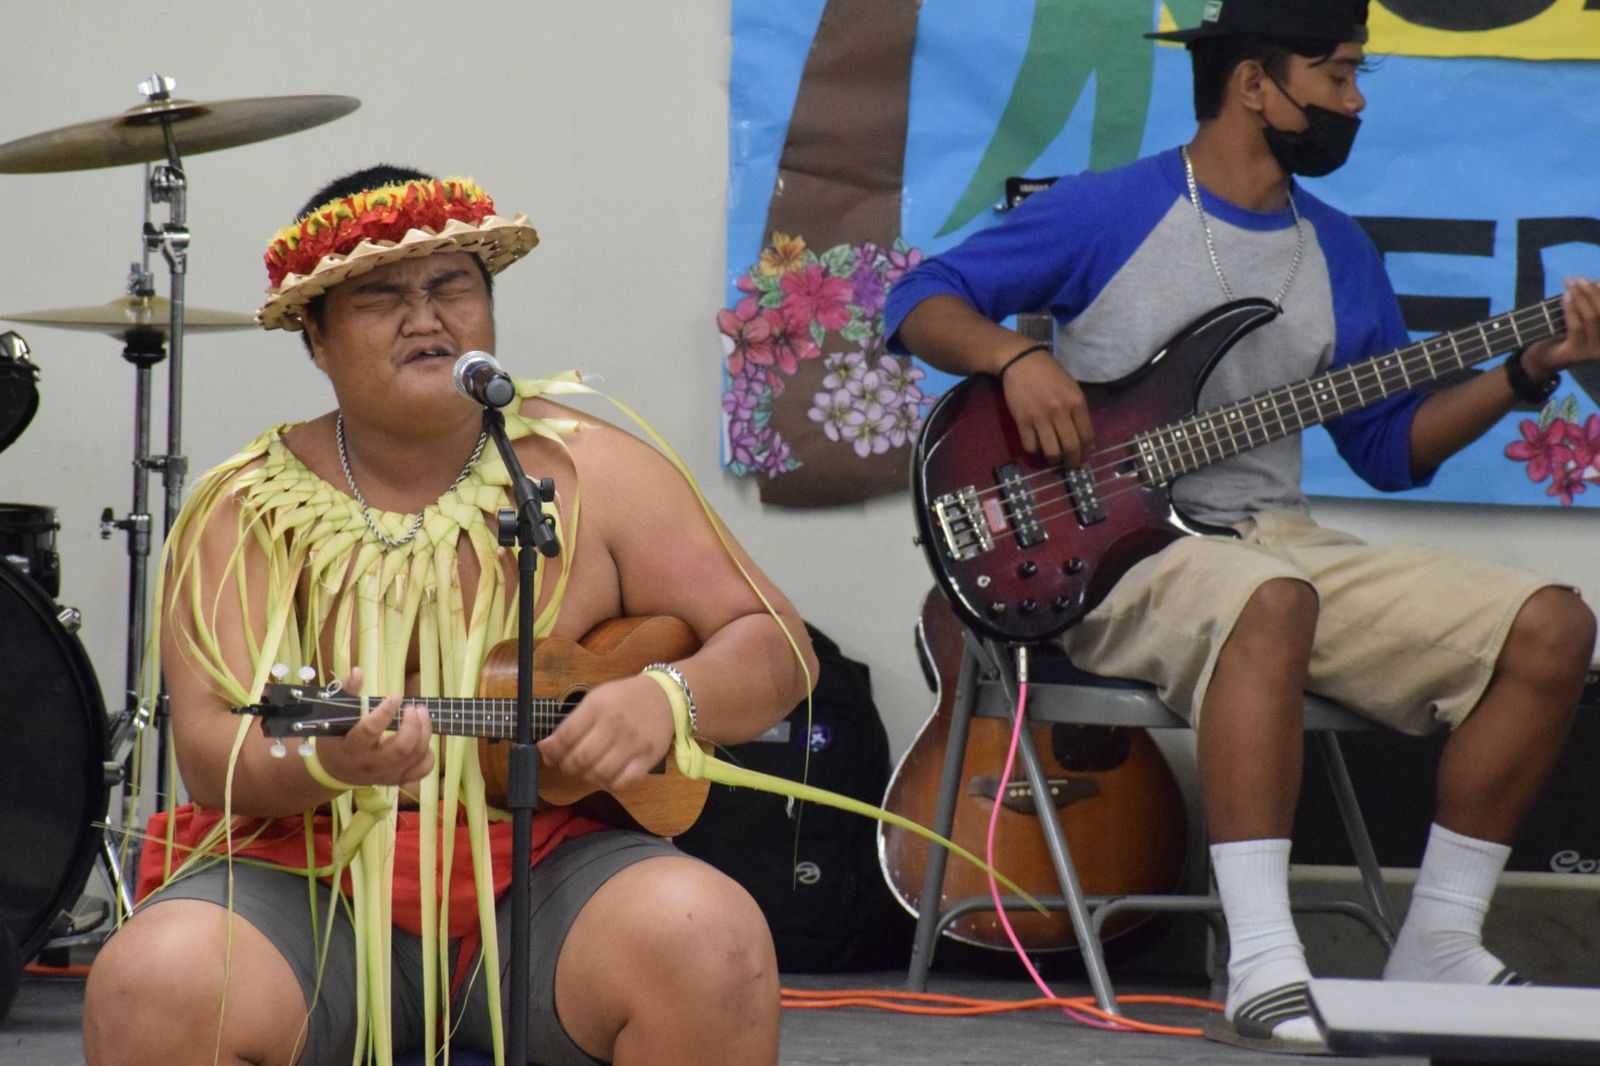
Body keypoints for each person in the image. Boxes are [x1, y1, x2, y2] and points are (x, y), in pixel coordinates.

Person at [886, 0, 1600, 1055]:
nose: (1355, 103)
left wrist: (1524, 371)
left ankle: (1440, 937)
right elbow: (917, 296)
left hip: (1278, 545)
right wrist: (1016, 358)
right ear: (1253, 84)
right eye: (1338, 76)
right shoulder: (1108, 210)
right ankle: (1264, 958)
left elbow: (1387, 450)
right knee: (1269, 601)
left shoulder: (1339, 251)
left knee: (1550, 625)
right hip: (1118, 557)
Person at [82, 165, 818, 1066]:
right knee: (156, 980)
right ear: (315, 337)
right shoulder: (245, 510)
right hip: (304, 881)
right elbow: (208, 753)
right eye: (381, 295)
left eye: (451, 286)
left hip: (546, 874)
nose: (425, 316)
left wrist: (667, 698)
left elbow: (777, 642)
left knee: (710, 938)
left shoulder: (593, 470)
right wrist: (326, 759)